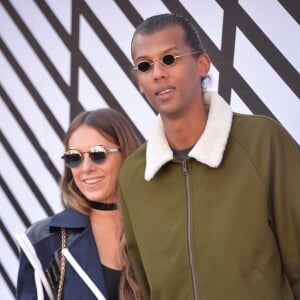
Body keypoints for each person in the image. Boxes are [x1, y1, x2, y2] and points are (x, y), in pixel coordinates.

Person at [119, 13, 300, 300]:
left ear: (201, 64)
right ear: (139, 81)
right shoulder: (134, 175)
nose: (157, 73)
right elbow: (146, 284)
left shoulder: (263, 142)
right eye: (144, 65)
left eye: (169, 59)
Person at [16, 108, 143, 300]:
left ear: (126, 153)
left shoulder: (160, 229)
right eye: (74, 157)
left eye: (97, 154)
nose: (86, 168)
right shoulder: (44, 241)